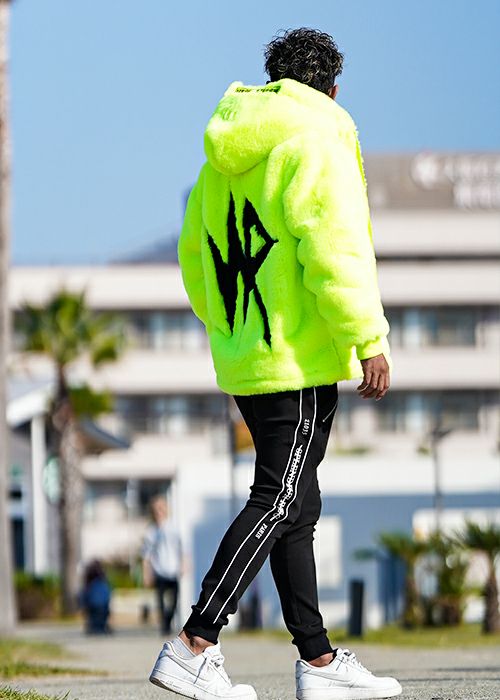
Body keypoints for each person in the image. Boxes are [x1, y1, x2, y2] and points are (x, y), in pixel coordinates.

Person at [149, 27, 402, 700]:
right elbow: (334, 245)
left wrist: (230, 330)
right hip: (299, 357)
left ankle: (317, 662)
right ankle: (194, 643)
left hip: (249, 360)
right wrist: (367, 335)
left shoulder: (225, 148)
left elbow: (194, 255)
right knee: (281, 498)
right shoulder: (318, 136)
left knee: (297, 504)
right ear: (332, 90)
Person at [142, 495, 182, 634]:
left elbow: (183, 548)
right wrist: (146, 573)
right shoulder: (151, 532)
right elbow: (146, 555)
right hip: (159, 571)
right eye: (156, 509)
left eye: (161, 508)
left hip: (173, 569)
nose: (159, 512)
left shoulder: (174, 528)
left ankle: (168, 622)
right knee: (161, 602)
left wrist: (184, 563)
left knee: (174, 602)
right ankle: (164, 627)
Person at [79, 559, 111, 634]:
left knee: (95, 623)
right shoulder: (103, 581)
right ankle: (99, 627)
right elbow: (108, 596)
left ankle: (95, 627)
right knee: (99, 623)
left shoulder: (89, 583)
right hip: (103, 608)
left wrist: (83, 607)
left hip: (93, 608)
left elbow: (84, 597)